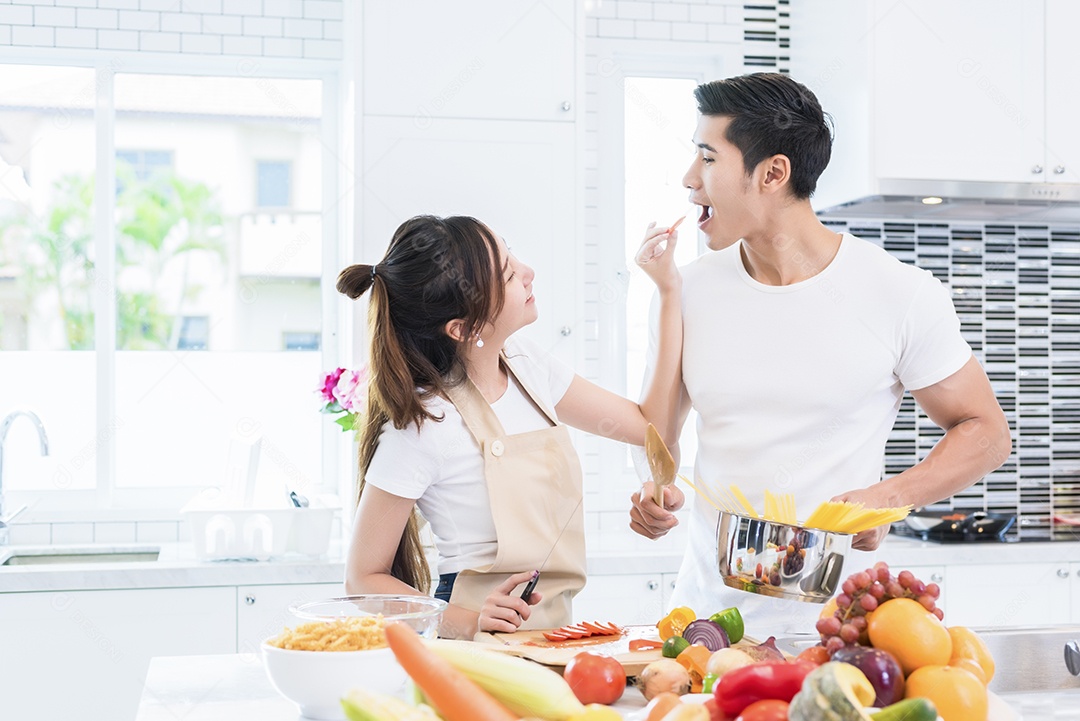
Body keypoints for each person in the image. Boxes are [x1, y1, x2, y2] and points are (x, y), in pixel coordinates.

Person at [629, 73, 1012, 634]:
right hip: (707, 624)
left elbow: (986, 432)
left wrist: (891, 495)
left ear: (773, 173)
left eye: (707, 158)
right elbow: (656, 436)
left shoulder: (899, 292)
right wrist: (650, 489)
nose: (689, 180)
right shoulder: (686, 290)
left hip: (841, 628)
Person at [340, 214, 683, 640]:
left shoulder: (525, 364)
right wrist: (468, 622)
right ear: (464, 328)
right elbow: (362, 578)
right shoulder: (425, 423)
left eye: (511, 254)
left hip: (553, 634)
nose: (528, 272)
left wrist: (668, 291)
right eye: (507, 274)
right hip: (472, 647)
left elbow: (648, 426)